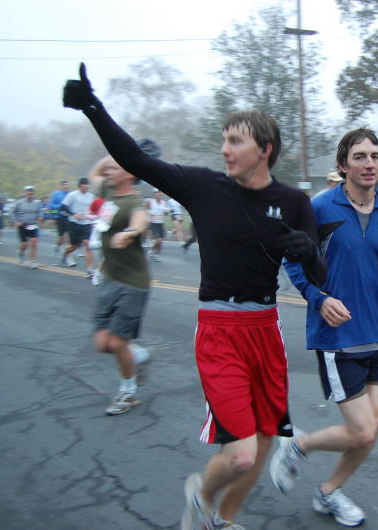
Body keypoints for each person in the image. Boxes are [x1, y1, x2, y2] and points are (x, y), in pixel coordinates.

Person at [63, 62, 326, 530]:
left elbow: (319, 274)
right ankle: (201, 498)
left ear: (264, 150)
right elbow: (138, 160)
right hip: (220, 330)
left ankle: (223, 519)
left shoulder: (293, 202)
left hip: (266, 330)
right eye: (224, 140)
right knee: (241, 454)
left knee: (266, 439)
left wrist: (309, 252)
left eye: (235, 141)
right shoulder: (204, 186)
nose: (224, 149)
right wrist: (93, 108)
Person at [269, 127, 378, 527]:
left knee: (372, 428)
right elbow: (293, 260)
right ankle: (299, 446)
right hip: (337, 337)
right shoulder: (321, 208)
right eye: (359, 156)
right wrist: (319, 299)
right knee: (363, 431)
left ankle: (328, 492)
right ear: (343, 165)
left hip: (377, 335)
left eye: (374, 156)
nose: (369, 163)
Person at [92, 155, 153, 415]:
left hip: (133, 283)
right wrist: (112, 152)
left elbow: (140, 220)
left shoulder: (134, 202)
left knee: (117, 343)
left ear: (129, 174)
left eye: (115, 168)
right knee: (102, 343)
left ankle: (128, 393)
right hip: (110, 278)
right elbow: (94, 173)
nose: (108, 171)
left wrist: (130, 233)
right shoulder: (108, 190)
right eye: (108, 168)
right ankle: (137, 356)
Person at [60, 176, 96, 278]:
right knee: (74, 246)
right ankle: (66, 254)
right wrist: (73, 214)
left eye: (87, 185)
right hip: (74, 224)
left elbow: (94, 209)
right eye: (84, 185)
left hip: (87, 224)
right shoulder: (73, 195)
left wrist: (93, 217)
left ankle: (90, 270)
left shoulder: (91, 196)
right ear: (80, 186)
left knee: (88, 244)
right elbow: (63, 207)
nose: (86, 187)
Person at [13, 186, 43, 268]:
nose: (30, 193)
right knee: (24, 244)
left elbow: (40, 212)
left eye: (31, 191)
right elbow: (13, 212)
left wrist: (40, 217)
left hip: (33, 225)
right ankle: (21, 252)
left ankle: (32, 261)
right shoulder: (19, 202)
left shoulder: (37, 203)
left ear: (34, 193)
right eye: (28, 191)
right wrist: (16, 221)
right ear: (25, 193)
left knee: (34, 242)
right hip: (22, 225)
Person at [145, 188, 169, 261]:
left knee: (160, 244)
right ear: (154, 194)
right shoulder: (150, 202)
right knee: (158, 239)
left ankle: (153, 255)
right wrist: (151, 213)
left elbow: (166, 212)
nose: (159, 194)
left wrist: (167, 211)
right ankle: (150, 252)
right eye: (157, 193)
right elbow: (145, 210)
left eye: (160, 193)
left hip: (160, 223)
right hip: (153, 223)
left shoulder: (164, 202)